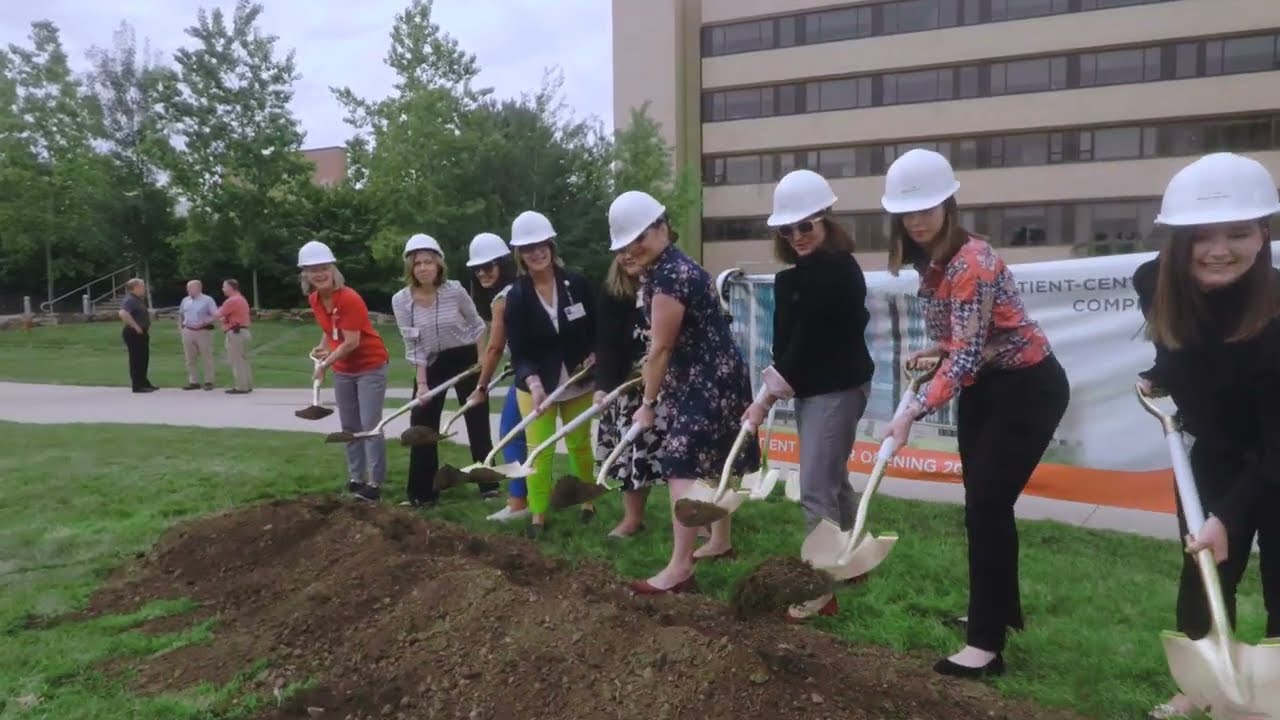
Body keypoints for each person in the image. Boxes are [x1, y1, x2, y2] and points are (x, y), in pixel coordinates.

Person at [879, 149, 1069, 678]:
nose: (917, 221)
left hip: (1028, 388)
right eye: (907, 213)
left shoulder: (972, 262)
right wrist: (935, 350)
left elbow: (966, 355)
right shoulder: (931, 261)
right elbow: (964, 341)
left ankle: (985, 646)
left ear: (949, 205)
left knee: (987, 504)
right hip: (986, 386)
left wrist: (912, 410)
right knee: (983, 505)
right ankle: (999, 611)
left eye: (926, 209)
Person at [1131, 152, 1280, 720]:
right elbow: (1182, 346)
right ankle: (1199, 686)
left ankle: (1270, 690)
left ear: (1262, 235)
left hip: (1275, 449)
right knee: (1204, 569)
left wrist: (1229, 516)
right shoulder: (1155, 283)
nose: (1219, 250)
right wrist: (1162, 373)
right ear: (1178, 240)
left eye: (1237, 233)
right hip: (1215, 449)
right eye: (1201, 236)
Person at [607, 190, 760, 594]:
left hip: (704, 380)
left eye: (638, 239)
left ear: (661, 228)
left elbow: (660, 348)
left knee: (681, 464)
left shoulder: (670, 277)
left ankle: (679, 569)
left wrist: (647, 404)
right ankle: (720, 541)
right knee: (717, 461)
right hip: (718, 374)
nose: (629, 251)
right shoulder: (673, 266)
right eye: (623, 245)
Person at [742, 169, 875, 620]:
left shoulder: (837, 272)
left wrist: (764, 399)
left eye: (806, 225)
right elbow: (787, 345)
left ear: (826, 222)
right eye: (787, 229)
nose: (797, 236)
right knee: (833, 477)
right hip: (815, 387)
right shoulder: (794, 279)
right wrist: (773, 386)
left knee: (816, 488)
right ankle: (852, 560)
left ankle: (820, 593)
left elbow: (809, 344)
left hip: (836, 388)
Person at [503, 210, 598, 539]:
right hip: (536, 386)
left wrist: (595, 353)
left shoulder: (577, 284)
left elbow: (597, 328)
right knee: (539, 450)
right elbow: (518, 350)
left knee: (579, 445)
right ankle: (538, 513)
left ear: (551, 246)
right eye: (528, 248)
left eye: (541, 245)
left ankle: (587, 502)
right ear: (520, 254)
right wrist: (533, 382)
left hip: (577, 380)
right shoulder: (516, 296)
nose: (536, 253)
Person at [391, 233, 492, 507]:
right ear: (410, 268)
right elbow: (413, 345)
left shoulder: (454, 290)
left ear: (438, 264)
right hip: (430, 362)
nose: (423, 267)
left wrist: (482, 359)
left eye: (428, 261)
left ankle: (488, 485)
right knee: (422, 424)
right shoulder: (401, 301)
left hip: (464, 356)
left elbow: (477, 325)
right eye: (417, 263)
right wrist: (422, 384)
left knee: (477, 419)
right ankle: (423, 493)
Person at [298, 239, 391, 502]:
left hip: (370, 365)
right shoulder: (315, 299)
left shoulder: (349, 298)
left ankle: (374, 483)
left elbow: (352, 342)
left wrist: (324, 366)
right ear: (305, 274)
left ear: (333, 269)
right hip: (344, 368)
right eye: (313, 269)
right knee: (349, 425)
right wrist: (322, 347)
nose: (319, 273)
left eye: (324, 267)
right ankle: (356, 478)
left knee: (370, 425)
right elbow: (330, 330)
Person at [593, 252, 664, 538]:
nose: (628, 256)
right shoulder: (613, 292)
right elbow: (606, 343)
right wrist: (602, 386)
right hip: (630, 384)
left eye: (634, 249)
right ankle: (633, 519)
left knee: (684, 453)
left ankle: (697, 522)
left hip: (673, 381)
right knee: (633, 452)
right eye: (621, 251)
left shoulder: (668, 282)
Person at [463, 232, 531, 523]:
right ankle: (539, 498)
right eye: (477, 269)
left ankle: (518, 503)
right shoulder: (528, 286)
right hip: (533, 368)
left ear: (503, 264)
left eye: (488, 266)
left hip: (530, 375)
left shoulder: (503, 299)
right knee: (534, 438)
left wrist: (481, 386)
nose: (482, 273)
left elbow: (493, 348)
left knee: (510, 436)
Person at [177, 279, 218, 391]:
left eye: (190, 288)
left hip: (203, 331)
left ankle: (209, 381)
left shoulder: (208, 300)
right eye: (187, 288)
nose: (187, 290)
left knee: (206, 356)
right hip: (188, 330)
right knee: (189, 358)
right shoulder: (185, 300)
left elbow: (215, 315)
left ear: (198, 288)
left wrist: (204, 322)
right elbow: (181, 315)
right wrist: (181, 328)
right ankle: (193, 381)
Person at [215, 279, 253, 394]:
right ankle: (247, 384)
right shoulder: (241, 299)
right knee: (243, 360)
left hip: (236, 333)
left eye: (224, 287)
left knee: (236, 360)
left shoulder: (231, 301)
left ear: (231, 287)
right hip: (243, 332)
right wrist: (225, 318)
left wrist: (220, 318)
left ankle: (241, 387)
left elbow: (217, 314)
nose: (223, 289)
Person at [118, 277, 155, 393]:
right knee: (136, 359)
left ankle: (144, 382)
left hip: (142, 332)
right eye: (142, 286)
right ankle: (137, 385)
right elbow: (123, 313)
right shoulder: (130, 300)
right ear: (135, 288)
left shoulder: (138, 299)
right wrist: (135, 326)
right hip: (133, 333)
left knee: (143, 358)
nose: (144, 289)